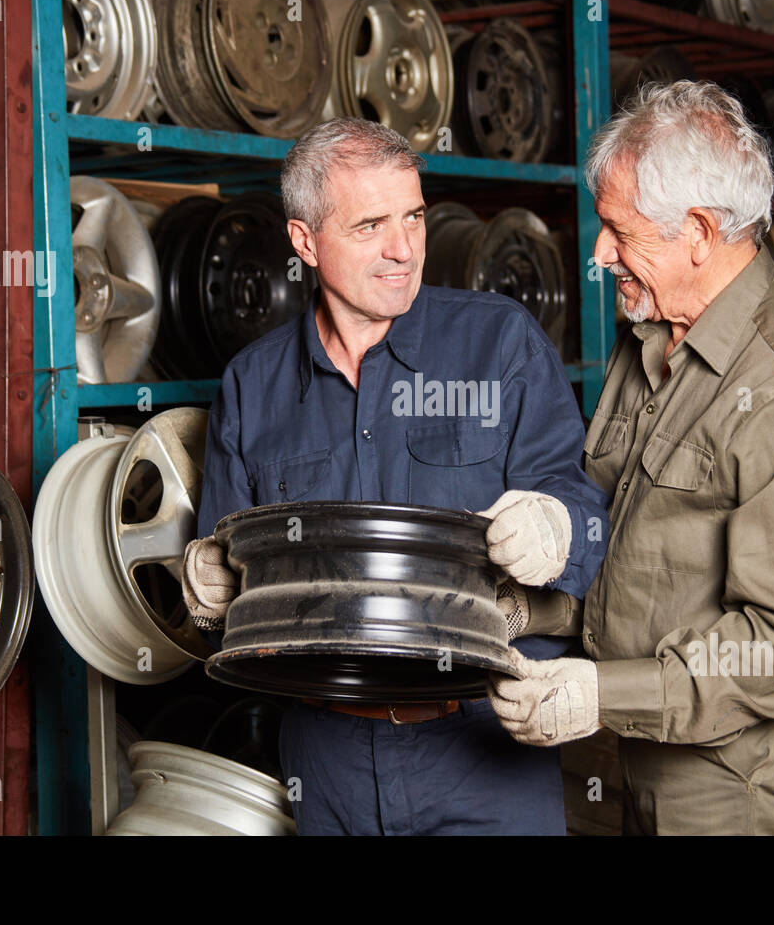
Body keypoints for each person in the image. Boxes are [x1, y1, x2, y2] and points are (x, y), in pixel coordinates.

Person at [180, 116, 609, 835]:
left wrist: (560, 526)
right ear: (305, 242)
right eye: (371, 225)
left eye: (412, 215)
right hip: (325, 758)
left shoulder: (498, 343)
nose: (404, 248)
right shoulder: (252, 387)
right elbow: (233, 598)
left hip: (483, 749)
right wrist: (206, 589)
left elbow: (589, 517)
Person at [487, 80, 774, 835]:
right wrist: (524, 609)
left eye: (619, 231)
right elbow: (632, 558)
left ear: (698, 232)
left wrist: (601, 696)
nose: (600, 255)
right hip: (610, 757)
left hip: (725, 787)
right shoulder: (649, 344)